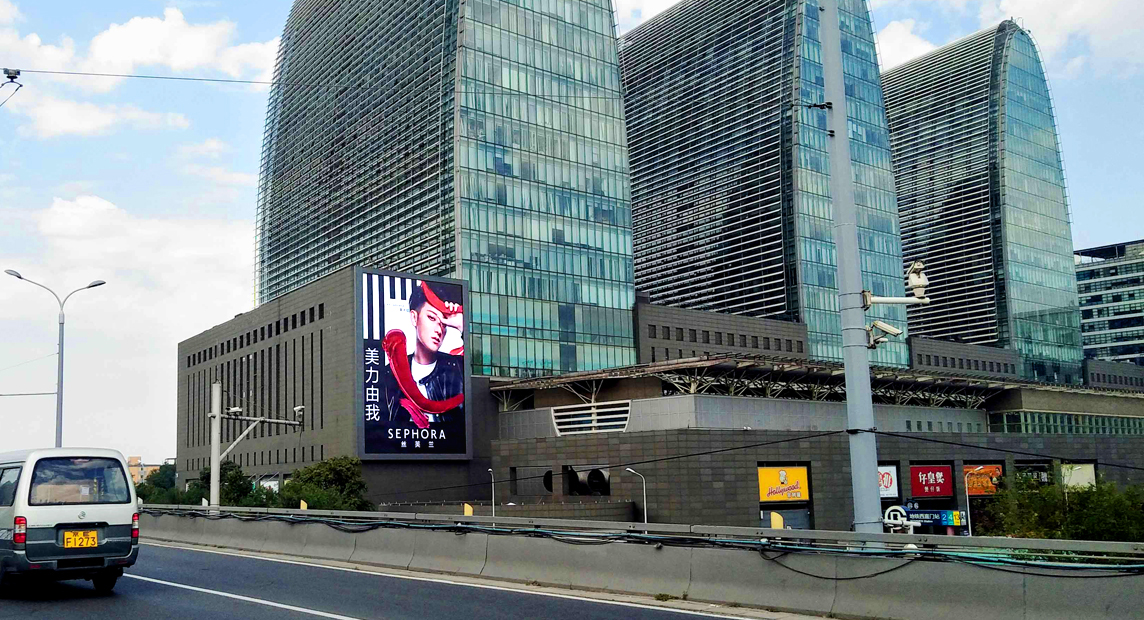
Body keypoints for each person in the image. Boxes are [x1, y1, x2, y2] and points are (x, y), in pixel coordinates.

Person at [369, 281, 465, 452]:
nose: (439, 330)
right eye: (432, 318)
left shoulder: (457, 368)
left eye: (443, 323)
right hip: (399, 453)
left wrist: (460, 324)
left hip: (449, 451)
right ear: (414, 317)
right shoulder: (389, 373)